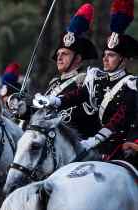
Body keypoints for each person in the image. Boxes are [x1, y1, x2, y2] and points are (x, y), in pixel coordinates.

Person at [35, 0, 137, 163]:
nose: (105, 59)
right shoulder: (99, 80)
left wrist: (95, 139)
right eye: (105, 54)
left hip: (125, 149)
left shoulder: (131, 84)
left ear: (123, 60)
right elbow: (77, 95)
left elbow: (119, 118)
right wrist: (54, 100)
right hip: (101, 150)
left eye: (111, 56)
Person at [12, 4, 100, 138]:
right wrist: (22, 108)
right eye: (58, 53)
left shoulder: (84, 81)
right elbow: (39, 114)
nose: (59, 57)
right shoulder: (54, 84)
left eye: (65, 53)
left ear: (77, 59)